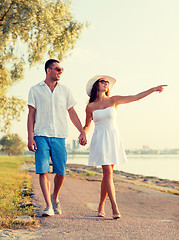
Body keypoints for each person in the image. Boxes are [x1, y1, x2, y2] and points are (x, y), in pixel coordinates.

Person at [83, 75, 167, 219]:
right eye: (103, 82)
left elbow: (135, 97)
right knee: (108, 172)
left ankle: (101, 206)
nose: (106, 84)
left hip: (113, 138)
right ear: (97, 85)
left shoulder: (114, 100)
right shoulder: (90, 107)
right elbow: (87, 126)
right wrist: (83, 134)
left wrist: (153, 89)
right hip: (100, 139)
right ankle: (114, 207)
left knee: (107, 175)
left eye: (107, 83)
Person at [27, 59, 87, 217]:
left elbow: (72, 113)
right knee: (43, 171)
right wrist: (30, 137)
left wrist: (82, 131)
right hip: (40, 134)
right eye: (58, 69)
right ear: (48, 70)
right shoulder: (35, 90)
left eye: (62, 69)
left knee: (61, 172)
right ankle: (48, 206)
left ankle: (55, 197)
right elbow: (31, 114)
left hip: (59, 135)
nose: (61, 72)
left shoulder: (65, 90)